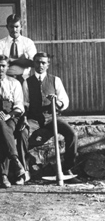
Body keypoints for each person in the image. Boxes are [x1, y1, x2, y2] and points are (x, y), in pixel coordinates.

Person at [21, 52, 80, 183]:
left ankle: (66, 169)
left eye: (43, 63)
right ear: (33, 64)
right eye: (37, 62)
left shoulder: (55, 80)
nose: (40, 65)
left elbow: (64, 101)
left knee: (72, 134)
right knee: (22, 133)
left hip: (51, 117)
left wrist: (56, 102)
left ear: (48, 65)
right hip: (34, 119)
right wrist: (25, 116)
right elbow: (24, 103)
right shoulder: (27, 82)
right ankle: (24, 170)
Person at [0, 55, 27, 188]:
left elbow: (19, 106)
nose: (0, 68)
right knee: (3, 128)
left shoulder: (15, 83)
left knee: (6, 131)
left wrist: (8, 116)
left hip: (11, 117)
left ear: (7, 67)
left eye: (3, 66)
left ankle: (3, 176)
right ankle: (15, 161)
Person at [0, 14, 37, 82]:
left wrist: (11, 60)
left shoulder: (28, 42)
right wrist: (22, 61)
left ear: (21, 27)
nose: (14, 29)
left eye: (16, 26)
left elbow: (33, 63)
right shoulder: (0, 43)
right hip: (5, 79)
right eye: (11, 27)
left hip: (24, 79)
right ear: (7, 27)